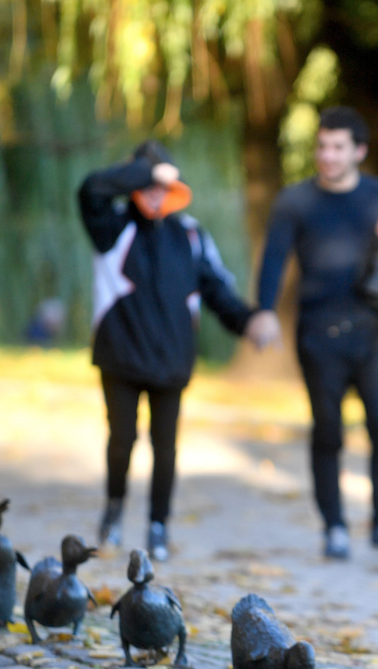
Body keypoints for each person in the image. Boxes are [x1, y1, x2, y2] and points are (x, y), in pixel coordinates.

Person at [79, 140, 267, 562]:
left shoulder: (191, 234)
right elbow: (90, 189)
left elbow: (218, 289)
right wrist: (141, 172)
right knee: (122, 440)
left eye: (162, 183)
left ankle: (158, 525)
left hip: (172, 362)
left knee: (166, 447)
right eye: (147, 183)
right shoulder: (111, 227)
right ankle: (112, 513)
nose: (154, 192)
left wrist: (248, 320)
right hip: (120, 356)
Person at [250, 106, 378, 560]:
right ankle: (334, 527)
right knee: (327, 430)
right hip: (319, 333)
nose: (327, 155)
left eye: (337, 147)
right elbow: (273, 259)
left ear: (358, 151)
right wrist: (265, 311)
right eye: (322, 146)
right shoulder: (294, 201)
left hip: (375, 333)